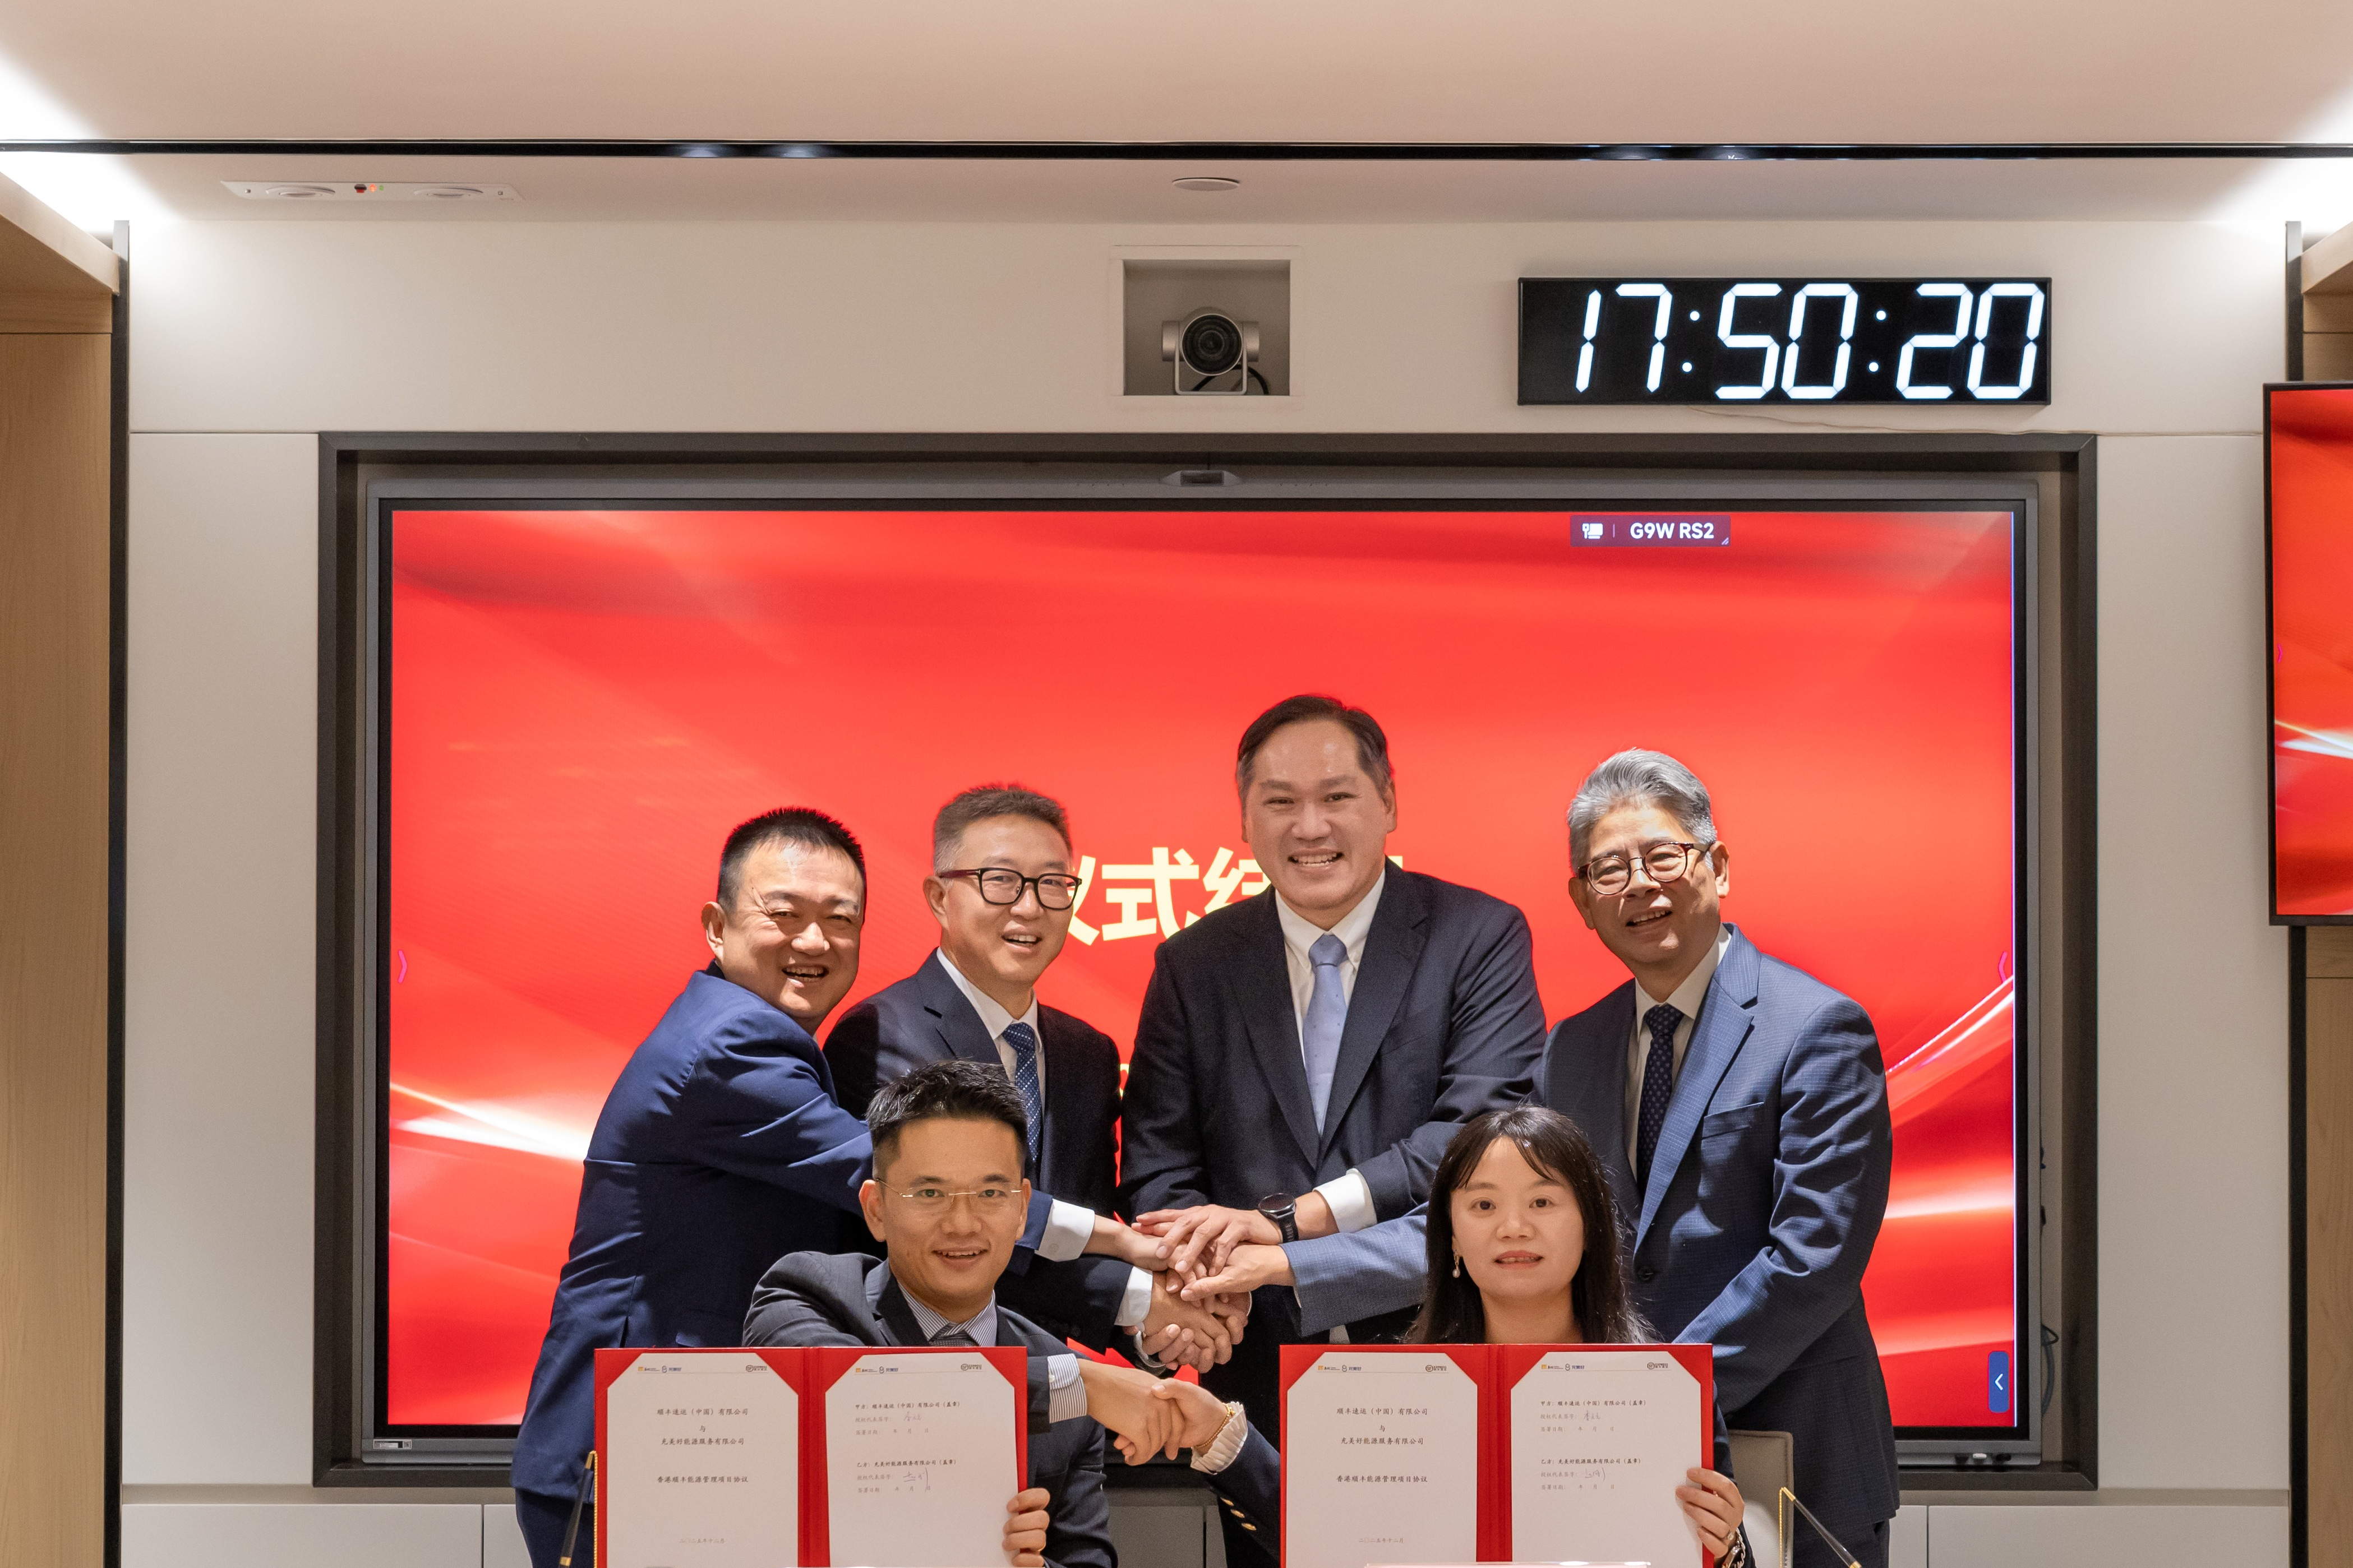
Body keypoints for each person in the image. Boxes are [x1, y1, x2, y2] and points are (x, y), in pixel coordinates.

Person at [1183, 750, 1900, 1568]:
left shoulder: (1815, 1028)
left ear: (1719, 865)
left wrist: (1660, 1393)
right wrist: (1285, 1260)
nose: (1640, 885)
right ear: (1582, 902)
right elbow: (1484, 1218)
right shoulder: (1575, 1046)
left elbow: (1811, 1259)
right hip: (1600, 1457)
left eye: (1663, 857)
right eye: (1610, 870)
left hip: (1788, 1444)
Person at [510, 810, 1175, 1568]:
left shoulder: (763, 1034)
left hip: (713, 1438)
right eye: (784, 914)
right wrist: (1127, 1247)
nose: (814, 941)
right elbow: (897, 1178)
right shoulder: (731, 1041)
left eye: (839, 919)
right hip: (639, 1448)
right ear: (717, 927)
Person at [1117, 693, 1547, 1561]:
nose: (1309, 826)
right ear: (1244, 819)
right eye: (1279, 801)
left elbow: (1476, 1139)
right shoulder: (1194, 965)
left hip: (1441, 1349)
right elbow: (1158, 1166)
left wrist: (1287, 1225)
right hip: (1257, 1372)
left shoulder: (1478, 937)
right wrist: (1203, 1284)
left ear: (1388, 802)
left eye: (1337, 796)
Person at [1128, 1108, 1748, 1567]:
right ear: (1448, 1237)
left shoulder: (1666, 1392)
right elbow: (1331, 1540)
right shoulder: (1398, 1388)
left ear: (1591, 1227)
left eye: (1542, 1202)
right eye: (1483, 1206)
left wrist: (1727, 1548)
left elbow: (1715, 1551)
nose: (1513, 1227)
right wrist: (1219, 1435)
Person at [827, 785, 1241, 1362]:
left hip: (1058, 1385)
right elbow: (956, 1234)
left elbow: (1083, 1225)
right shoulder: (880, 1034)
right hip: (920, 1368)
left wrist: (1158, 1330)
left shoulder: (1087, 1053)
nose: (1028, 907)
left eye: (1052, 884)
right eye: (1000, 880)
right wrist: (1133, 1298)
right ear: (939, 897)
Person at [742, 1061, 1134, 1568]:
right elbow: (858, 1400)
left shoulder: (1064, 1378)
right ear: (876, 1209)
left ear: (1022, 1209)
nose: (962, 1223)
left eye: (990, 1193)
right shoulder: (808, 1293)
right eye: (930, 1193)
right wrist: (1081, 1385)